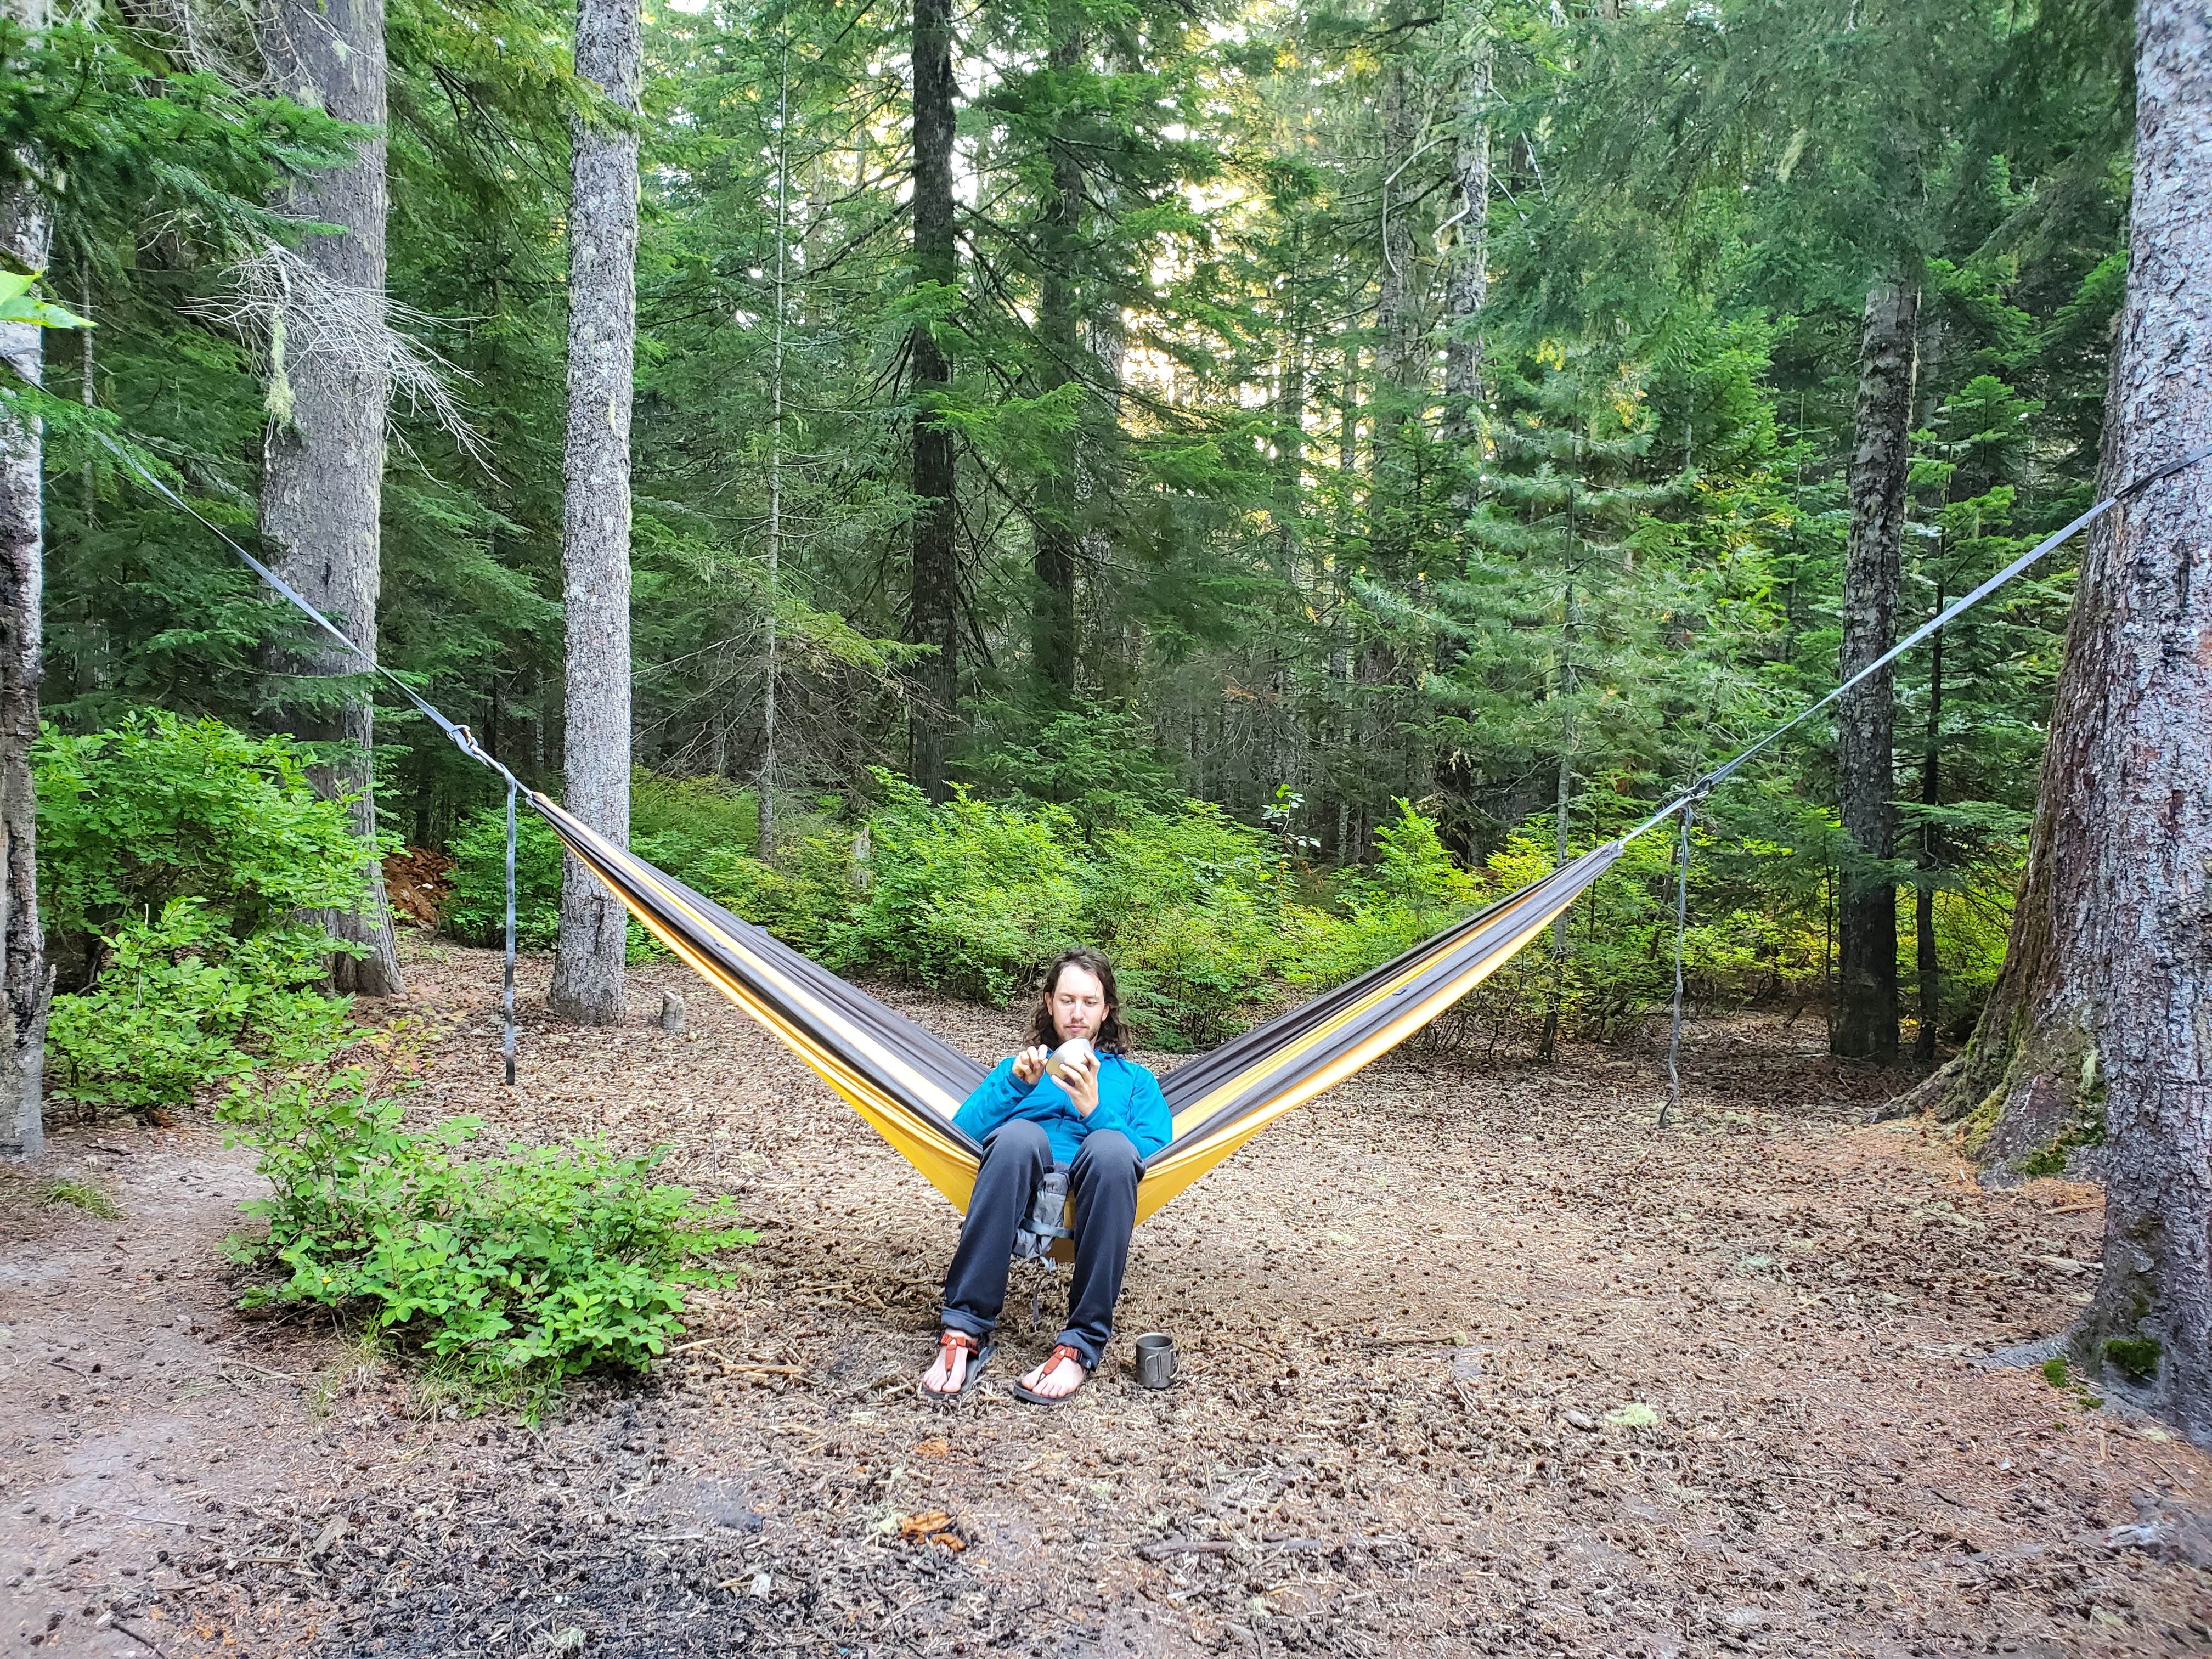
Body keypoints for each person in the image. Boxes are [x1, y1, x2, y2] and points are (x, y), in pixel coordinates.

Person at [918, 948, 1170, 1404]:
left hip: (1097, 1180)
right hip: (1017, 1174)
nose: (1077, 1013)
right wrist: (1015, 1085)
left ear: (1106, 1010)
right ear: (1050, 1003)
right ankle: (964, 1327)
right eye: (1067, 1000)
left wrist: (1095, 1108)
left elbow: (1151, 1155)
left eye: (1089, 1002)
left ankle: (1080, 1344)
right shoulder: (1017, 1070)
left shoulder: (1136, 1081)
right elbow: (962, 1132)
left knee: (1113, 1148)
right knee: (1017, 1136)